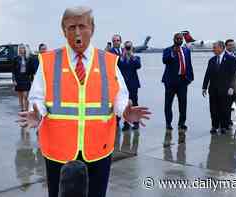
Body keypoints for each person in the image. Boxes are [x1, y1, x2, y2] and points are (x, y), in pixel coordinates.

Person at [17, 6, 151, 197]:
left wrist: (125, 111)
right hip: (58, 148)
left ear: (92, 29)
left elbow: (119, 95)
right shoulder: (48, 61)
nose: (77, 32)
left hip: (98, 147)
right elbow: (37, 96)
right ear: (63, 30)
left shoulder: (108, 61)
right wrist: (36, 113)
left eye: (82, 26)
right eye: (71, 27)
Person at [202, 41, 236, 135]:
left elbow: (234, 75)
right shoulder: (212, 60)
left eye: (215, 47)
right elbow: (207, 74)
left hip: (226, 89)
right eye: (213, 47)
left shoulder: (231, 59)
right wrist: (204, 87)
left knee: (224, 109)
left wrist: (232, 87)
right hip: (213, 89)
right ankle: (214, 126)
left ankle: (224, 126)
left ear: (221, 48)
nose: (213, 49)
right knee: (213, 109)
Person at [162, 32, 194, 132]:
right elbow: (165, 60)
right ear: (174, 39)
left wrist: (190, 78)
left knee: (183, 104)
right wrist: (173, 53)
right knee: (168, 104)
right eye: (177, 39)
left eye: (181, 39)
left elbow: (189, 64)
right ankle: (168, 123)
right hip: (170, 82)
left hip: (183, 81)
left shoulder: (186, 50)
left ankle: (182, 123)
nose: (179, 40)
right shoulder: (168, 50)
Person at [118, 41, 142, 130]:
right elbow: (117, 66)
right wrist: (123, 56)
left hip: (133, 84)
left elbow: (138, 66)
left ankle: (136, 122)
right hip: (123, 85)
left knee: (134, 104)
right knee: (125, 104)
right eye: (126, 47)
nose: (128, 49)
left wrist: (131, 55)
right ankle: (126, 123)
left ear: (132, 48)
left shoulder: (136, 57)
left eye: (129, 47)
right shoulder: (120, 58)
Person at [13, 44, 33, 112]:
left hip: (26, 78)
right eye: (20, 48)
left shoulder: (28, 58)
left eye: (23, 48)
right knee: (20, 96)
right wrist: (14, 80)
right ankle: (22, 109)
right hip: (18, 78)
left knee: (26, 95)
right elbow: (13, 71)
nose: (21, 50)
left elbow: (31, 71)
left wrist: (32, 80)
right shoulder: (16, 58)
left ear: (25, 50)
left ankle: (26, 109)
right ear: (19, 50)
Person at [225, 39, 236, 127]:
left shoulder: (234, 55)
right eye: (230, 45)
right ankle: (226, 120)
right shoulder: (225, 56)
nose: (232, 46)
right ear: (226, 46)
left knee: (230, 102)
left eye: (233, 45)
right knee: (226, 103)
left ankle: (228, 119)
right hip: (228, 83)